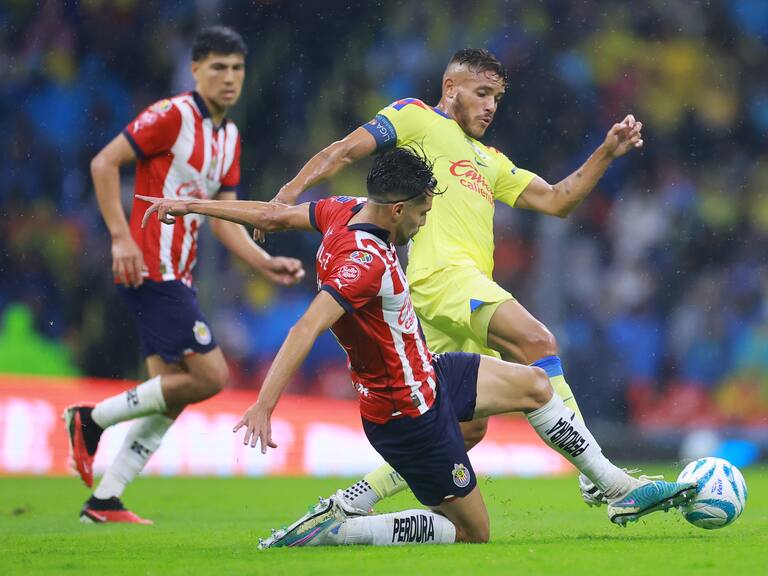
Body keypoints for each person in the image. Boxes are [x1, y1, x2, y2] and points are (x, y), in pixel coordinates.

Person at [141, 147, 695, 547]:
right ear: (400, 208)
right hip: (408, 413)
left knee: (534, 381)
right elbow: (305, 328)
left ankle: (617, 487)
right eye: (425, 211)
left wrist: (190, 207)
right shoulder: (365, 265)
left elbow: (269, 214)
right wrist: (264, 403)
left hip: (429, 374)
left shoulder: (342, 211)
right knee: (471, 533)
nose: (426, 221)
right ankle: (344, 529)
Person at [264, 47, 645, 510]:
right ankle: (600, 477)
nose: (490, 106)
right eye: (482, 93)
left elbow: (557, 200)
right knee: (537, 341)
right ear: (451, 88)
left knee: (466, 425)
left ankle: (353, 501)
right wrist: (285, 196)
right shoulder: (415, 117)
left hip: (454, 295)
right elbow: (343, 150)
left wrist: (605, 152)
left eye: (497, 98)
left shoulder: (490, 161)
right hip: (442, 278)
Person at [63, 26, 305, 524]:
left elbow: (224, 220)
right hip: (152, 265)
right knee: (211, 376)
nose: (230, 78)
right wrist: (119, 236)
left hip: (179, 272)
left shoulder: (229, 137)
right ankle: (89, 419)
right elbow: (104, 162)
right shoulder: (173, 116)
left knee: (171, 392)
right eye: (218, 67)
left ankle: (105, 500)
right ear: (195, 69)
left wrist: (264, 261)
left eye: (237, 68)